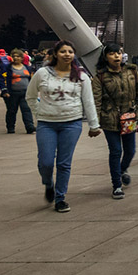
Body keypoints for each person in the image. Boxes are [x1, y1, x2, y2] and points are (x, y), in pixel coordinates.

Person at [27, 41, 101, 212]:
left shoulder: (81, 76)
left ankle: (60, 197)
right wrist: (39, 113)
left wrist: (94, 125)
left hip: (72, 123)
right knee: (45, 161)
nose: (67, 54)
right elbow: (30, 96)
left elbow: (88, 101)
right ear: (55, 54)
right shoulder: (42, 73)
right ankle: (48, 183)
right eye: (63, 51)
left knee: (64, 163)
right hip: (47, 124)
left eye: (70, 51)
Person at [92, 42, 138, 199]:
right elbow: (96, 100)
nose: (116, 56)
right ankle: (117, 185)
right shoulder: (100, 76)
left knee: (130, 150)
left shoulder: (132, 71)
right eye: (112, 53)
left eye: (119, 53)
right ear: (105, 57)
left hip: (129, 116)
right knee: (115, 151)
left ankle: (122, 170)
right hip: (110, 118)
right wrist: (96, 121)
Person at [1, 48, 36, 134]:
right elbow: (2, 79)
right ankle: (10, 127)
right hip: (12, 93)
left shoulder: (27, 67)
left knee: (26, 109)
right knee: (12, 110)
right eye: (14, 56)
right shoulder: (8, 68)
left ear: (22, 58)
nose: (16, 58)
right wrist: (5, 91)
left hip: (25, 92)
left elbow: (31, 79)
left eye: (18, 56)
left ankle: (29, 127)